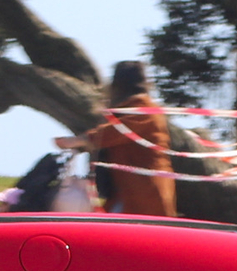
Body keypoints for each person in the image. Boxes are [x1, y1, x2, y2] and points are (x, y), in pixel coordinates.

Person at [54, 59, 176, 216]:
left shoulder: (146, 111)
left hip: (146, 193)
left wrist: (78, 140)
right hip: (126, 192)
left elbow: (115, 132)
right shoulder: (126, 110)